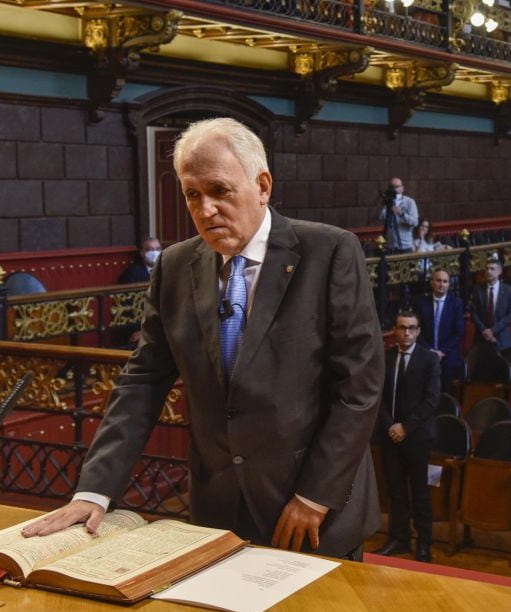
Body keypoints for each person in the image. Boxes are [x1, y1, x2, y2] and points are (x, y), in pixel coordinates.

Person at [21, 118, 385, 561]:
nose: (205, 209)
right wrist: (94, 491)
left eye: (219, 190)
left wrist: (315, 495)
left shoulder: (329, 252)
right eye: (192, 194)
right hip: (220, 510)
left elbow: (359, 387)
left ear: (263, 185)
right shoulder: (174, 267)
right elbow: (142, 382)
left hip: (311, 510)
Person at [373, 310, 441, 562]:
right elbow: (377, 396)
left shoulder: (429, 359)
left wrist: (405, 427)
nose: (407, 332)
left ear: (418, 330)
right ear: (395, 330)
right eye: (402, 328)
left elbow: (431, 400)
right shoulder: (387, 357)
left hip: (417, 436)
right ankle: (398, 538)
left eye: (412, 328)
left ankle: (424, 543)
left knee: (420, 492)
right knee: (395, 491)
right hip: (389, 435)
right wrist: (391, 425)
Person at [414, 268, 465, 394]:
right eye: (438, 280)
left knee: (447, 388)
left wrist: (441, 352)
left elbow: (458, 333)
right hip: (426, 352)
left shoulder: (456, 303)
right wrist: (430, 351)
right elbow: (416, 330)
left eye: (445, 281)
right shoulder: (421, 303)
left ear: (449, 284)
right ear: (432, 283)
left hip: (447, 354)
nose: (441, 284)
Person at [469, 258, 511, 353]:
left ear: (500, 271)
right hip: (481, 339)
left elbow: (510, 314)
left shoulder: (509, 291)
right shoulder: (478, 290)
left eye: (492, 269)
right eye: (486, 269)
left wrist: (492, 331)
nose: (488, 271)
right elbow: (473, 313)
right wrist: (484, 330)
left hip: (502, 340)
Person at [378, 177, 419, 254]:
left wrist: (402, 214)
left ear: (402, 188)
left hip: (405, 246)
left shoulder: (409, 202)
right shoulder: (388, 202)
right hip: (390, 245)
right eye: (391, 187)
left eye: (396, 187)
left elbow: (415, 222)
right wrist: (384, 205)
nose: (393, 189)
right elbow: (381, 217)